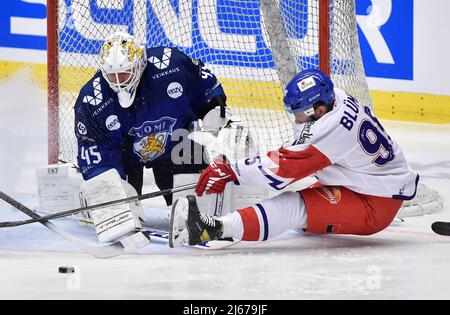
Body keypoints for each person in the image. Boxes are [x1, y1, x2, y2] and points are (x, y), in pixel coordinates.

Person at [168, 69, 419, 248]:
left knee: (293, 206)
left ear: (319, 109)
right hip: (365, 181)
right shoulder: (336, 98)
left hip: (375, 203)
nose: (296, 119)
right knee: (296, 201)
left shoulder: (329, 130)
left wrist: (231, 170)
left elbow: (279, 171)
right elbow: (293, 156)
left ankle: (213, 230)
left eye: (299, 113)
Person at [74, 31, 231, 244]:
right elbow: (96, 155)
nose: (119, 82)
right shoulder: (92, 100)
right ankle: (90, 200)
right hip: (124, 158)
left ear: (139, 65)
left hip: (176, 145)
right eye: (113, 75)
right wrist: (110, 188)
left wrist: (214, 112)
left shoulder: (170, 64)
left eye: (125, 73)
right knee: (116, 203)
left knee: (198, 204)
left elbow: (205, 87)